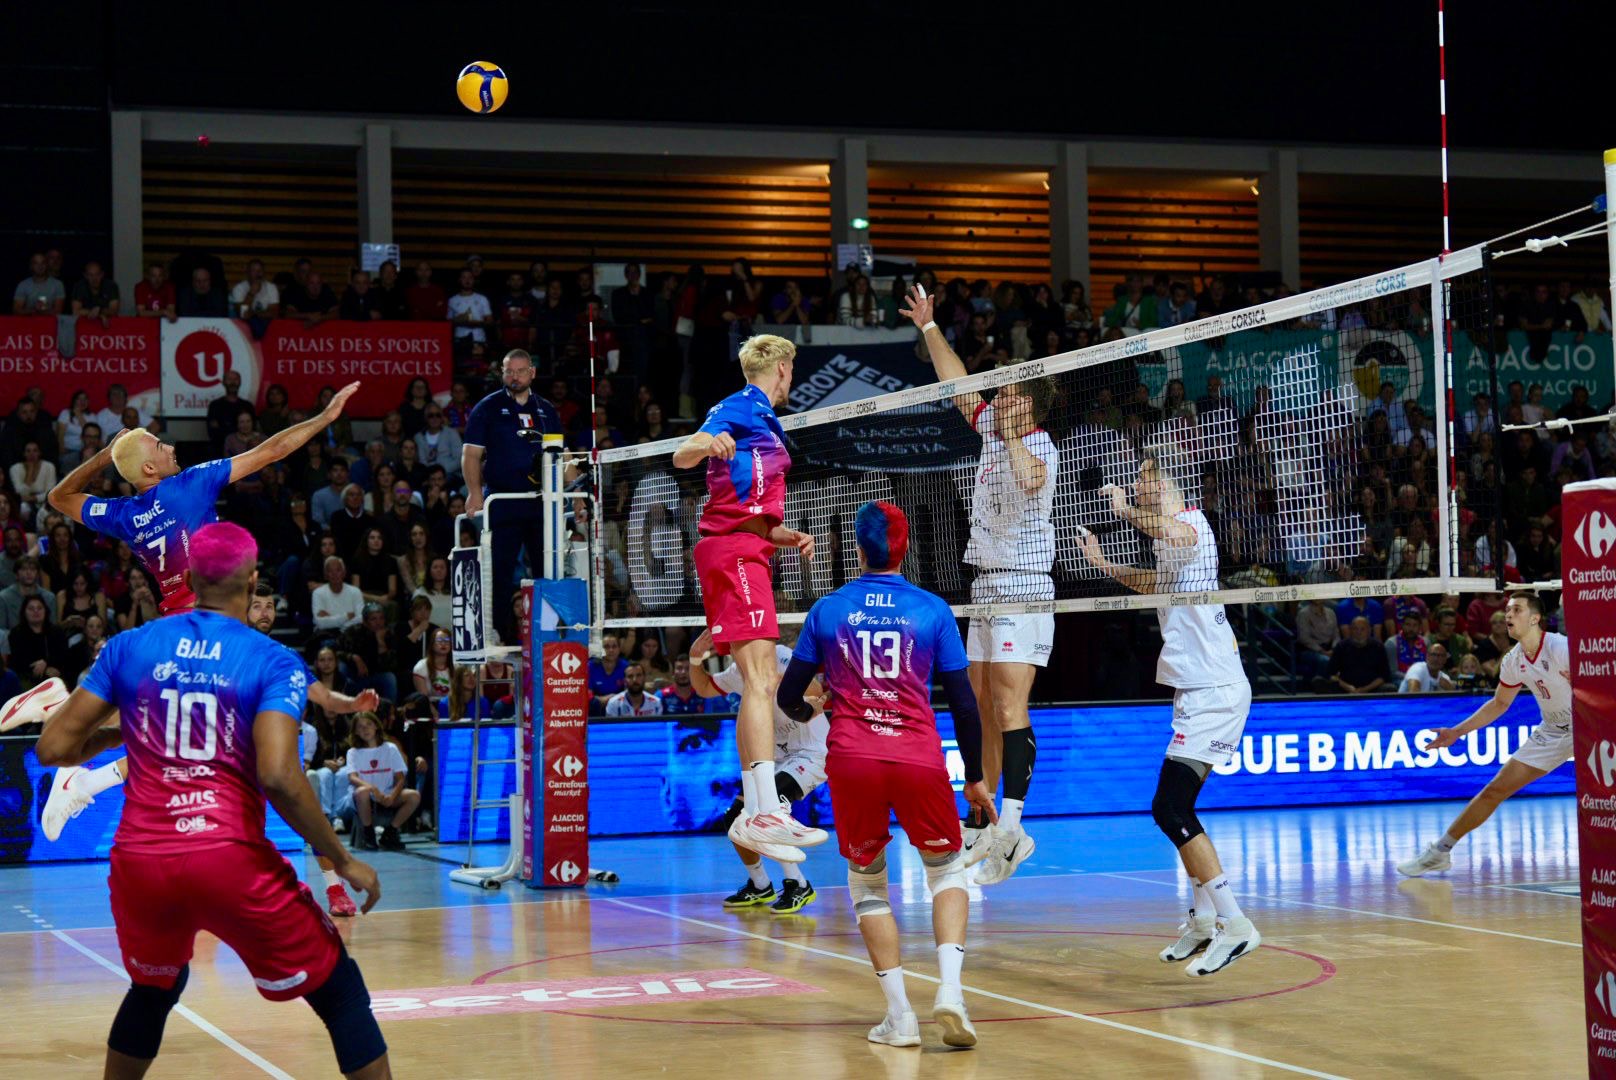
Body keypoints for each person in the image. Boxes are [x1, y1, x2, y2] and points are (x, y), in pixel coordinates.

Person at [32, 523, 391, 1079]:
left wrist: (117, 732)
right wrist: (342, 861)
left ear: (192, 580)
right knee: (340, 992)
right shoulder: (272, 660)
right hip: (226, 856)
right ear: (251, 582)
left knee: (155, 986)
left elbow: (53, 747)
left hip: (141, 862)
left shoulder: (129, 646)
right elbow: (277, 775)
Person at [32, 384, 361, 826]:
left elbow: (58, 499)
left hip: (177, 624)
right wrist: (323, 419)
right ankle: (75, 758)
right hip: (207, 625)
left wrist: (104, 455)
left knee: (167, 730)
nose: (169, 445)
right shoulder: (190, 484)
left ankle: (66, 725)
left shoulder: (125, 514)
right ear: (150, 466)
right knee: (191, 737)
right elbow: (272, 449)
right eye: (159, 444)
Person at [775, 501, 994, 1048]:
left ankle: (900, 1016)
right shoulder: (932, 609)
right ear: (905, 549)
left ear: (856, 549)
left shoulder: (829, 609)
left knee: (868, 881)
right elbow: (965, 706)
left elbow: (785, 697)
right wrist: (975, 778)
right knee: (947, 872)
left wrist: (812, 710)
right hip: (919, 756)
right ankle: (951, 992)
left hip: (851, 758)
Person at [1079, 450, 1261, 977]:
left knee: (1170, 809)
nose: (1136, 485)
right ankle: (1205, 921)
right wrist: (1103, 564)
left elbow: (1176, 536)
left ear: (1168, 485)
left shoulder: (1189, 524)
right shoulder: (1170, 542)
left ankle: (1235, 924)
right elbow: (1156, 584)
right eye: (1134, 482)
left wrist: (1123, 510)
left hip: (1215, 691)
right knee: (1178, 809)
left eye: (1143, 478)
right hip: (1198, 690)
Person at [900, 284, 1054, 884]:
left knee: (1012, 705)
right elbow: (958, 383)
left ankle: (1014, 829)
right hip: (986, 584)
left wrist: (1010, 432)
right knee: (984, 707)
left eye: (1011, 393)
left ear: (1029, 406)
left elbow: (1033, 476)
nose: (999, 397)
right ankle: (986, 822)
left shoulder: (1039, 444)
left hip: (1023, 586)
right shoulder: (993, 427)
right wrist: (931, 328)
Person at [670, 333, 822, 865]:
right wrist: (705, 444)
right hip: (732, 552)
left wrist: (789, 535)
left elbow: (755, 512)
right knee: (761, 682)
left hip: (746, 547)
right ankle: (762, 812)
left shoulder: (764, 417)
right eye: (793, 369)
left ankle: (762, 809)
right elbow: (682, 453)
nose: (793, 378)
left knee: (760, 682)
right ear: (781, 368)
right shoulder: (737, 405)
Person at [1399, 593, 1571, 877]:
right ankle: (1439, 852)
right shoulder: (1514, 660)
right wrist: (1457, 732)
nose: (1509, 615)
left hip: (1588, 724)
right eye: (1507, 610)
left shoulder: (1561, 647)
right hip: (1552, 730)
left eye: (1516, 610)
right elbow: (1500, 704)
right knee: (1494, 789)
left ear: (1535, 618)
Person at [248, 583, 373, 917]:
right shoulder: (230, 651)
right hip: (238, 760)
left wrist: (353, 703)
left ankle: (335, 889)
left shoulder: (286, 657)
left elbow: (327, 699)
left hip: (281, 758)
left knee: (315, 824)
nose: (265, 612)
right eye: (257, 605)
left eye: (270, 606)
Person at [687, 626, 826, 914]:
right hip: (775, 759)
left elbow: (815, 690)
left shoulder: (780, 656)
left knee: (767, 812)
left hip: (810, 754)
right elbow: (702, 688)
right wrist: (695, 660)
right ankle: (760, 884)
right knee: (736, 817)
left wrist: (774, 682)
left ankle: (798, 884)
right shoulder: (739, 671)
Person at [463, 350, 562, 644]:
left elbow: (561, 455)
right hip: (503, 502)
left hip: (540, 503)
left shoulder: (546, 410)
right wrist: (473, 493)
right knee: (499, 572)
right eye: (509, 371)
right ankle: (496, 632)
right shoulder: (488, 407)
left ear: (532, 372)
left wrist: (578, 497)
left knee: (548, 569)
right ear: (502, 373)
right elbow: (470, 454)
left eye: (520, 371)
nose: (514, 377)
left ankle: (549, 632)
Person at [346, 711, 419, 851]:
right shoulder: (353, 752)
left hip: (387, 793)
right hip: (364, 796)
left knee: (414, 796)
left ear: (376, 726)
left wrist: (392, 796)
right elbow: (352, 777)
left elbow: (400, 778)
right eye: (360, 727)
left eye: (368, 724)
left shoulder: (390, 748)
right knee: (362, 792)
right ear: (355, 731)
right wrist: (373, 789)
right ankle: (369, 835)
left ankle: (390, 833)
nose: (365, 729)